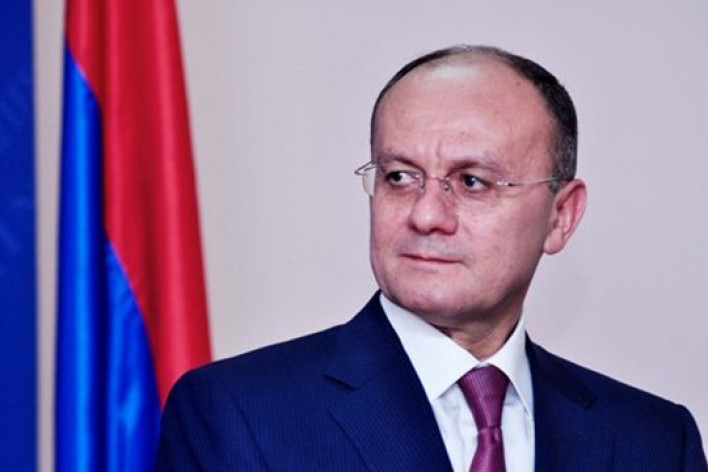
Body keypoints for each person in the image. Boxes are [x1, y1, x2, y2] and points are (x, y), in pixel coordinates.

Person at [156, 45, 707, 471]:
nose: (426, 215)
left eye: (472, 181)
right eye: (400, 177)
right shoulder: (239, 414)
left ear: (560, 215)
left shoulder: (655, 441)